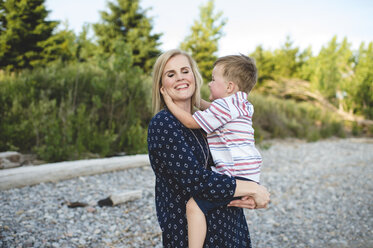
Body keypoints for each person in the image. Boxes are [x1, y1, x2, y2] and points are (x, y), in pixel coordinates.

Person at [147, 49, 270, 248]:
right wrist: (254, 188)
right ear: (162, 85)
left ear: (194, 76)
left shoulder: (208, 121)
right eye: (171, 74)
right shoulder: (164, 123)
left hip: (229, 226)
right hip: (188, 233)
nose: (180, 78)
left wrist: (248, 195)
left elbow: (229, 166)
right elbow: (197, 181)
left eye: (185, 71)